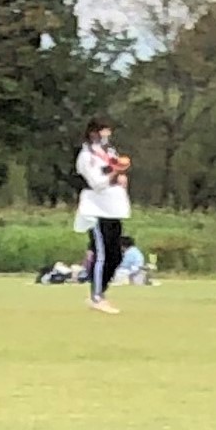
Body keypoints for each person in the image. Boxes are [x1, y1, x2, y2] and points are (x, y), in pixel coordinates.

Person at [73, 119, 132, 314]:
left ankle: (101, 292)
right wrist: (115, 173)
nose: (107, 135)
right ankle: (96, 296)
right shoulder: (86, 156)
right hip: (96, 210)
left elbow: (109, 169)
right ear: (93, 132)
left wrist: (120, 173)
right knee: (102, 253)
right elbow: (97, 181)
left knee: (115, 255)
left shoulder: (109, 152)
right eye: (103, 131)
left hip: (114, 209)